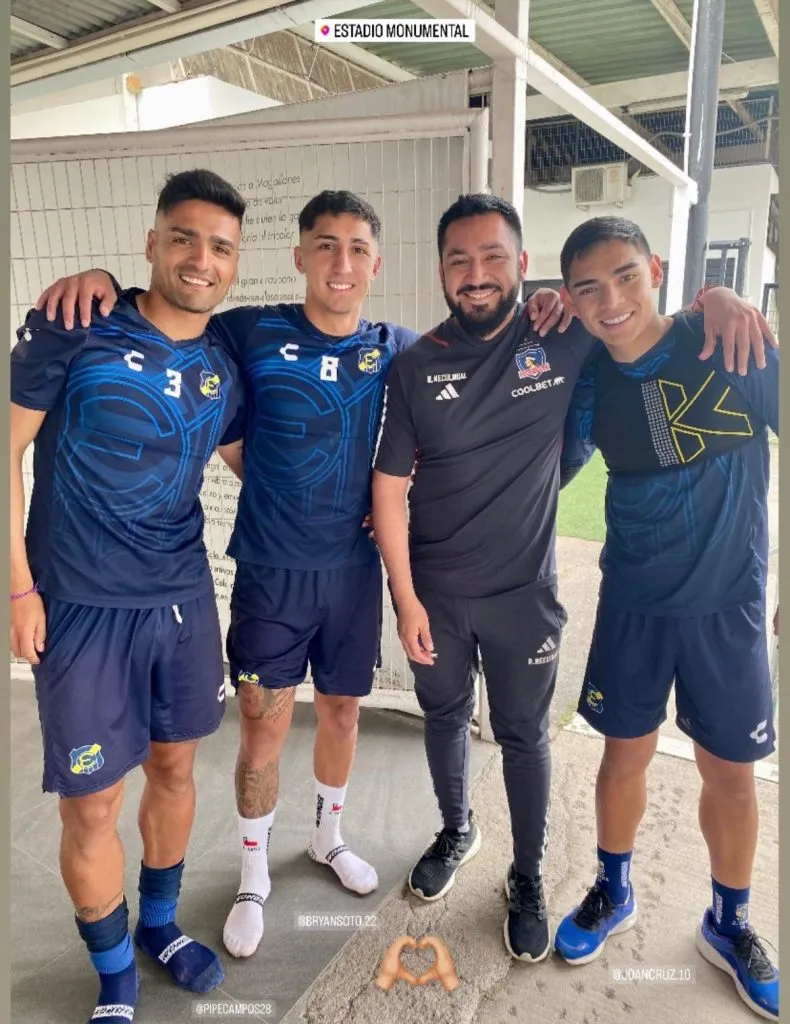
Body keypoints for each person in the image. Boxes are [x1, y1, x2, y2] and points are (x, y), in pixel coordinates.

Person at [35, 190, 572, 963]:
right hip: (269, 575)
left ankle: (327, 838)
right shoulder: (248, 331)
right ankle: (253, 870)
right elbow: (169, 314)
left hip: (354, 576)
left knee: (344, 715)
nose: (341, 263)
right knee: (262, 723)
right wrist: (101, 280)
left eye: (356, 248)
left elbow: (481, 357)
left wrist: (544, 302)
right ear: (299, 257)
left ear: (377, 265)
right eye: (324, 245)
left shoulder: (401, 347)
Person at [370, 193, 776, 967]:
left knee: (561, 742)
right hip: (520, 597)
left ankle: (567, 885)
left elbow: (641, 320)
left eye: (494, 257)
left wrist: (719, 297)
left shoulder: (635, 339)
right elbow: (418, 483)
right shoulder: (462, 363)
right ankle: (516, 852)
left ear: (522, 267)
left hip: (627, 600)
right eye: (460, 260)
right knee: (509, 732)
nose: (477, 274)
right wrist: (408, 585)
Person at [10, 169, 247, 1024]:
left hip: (181, 601)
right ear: (151, 243)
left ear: (236, 262)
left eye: (219, 245)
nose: (199, 257)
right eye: (182, 237)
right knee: (94, 802)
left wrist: (365, 515)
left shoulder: (224, 362)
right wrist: (19, 589)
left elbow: (253, 467)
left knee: (177, 769)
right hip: (78, 607)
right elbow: (6, 452)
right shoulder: (76, 326)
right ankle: (113, 975)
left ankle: (158, 926)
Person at [552, 216, 779, 1021]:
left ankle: (731, 920)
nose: (610, 300)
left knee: (731, 776)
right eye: (587, 289)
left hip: (729, 606)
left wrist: (719, 298)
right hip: (636, 606)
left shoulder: (729, 341)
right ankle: (613, 892)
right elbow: (548, 463)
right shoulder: (590, 382)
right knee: (622, 760)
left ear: (655, 269)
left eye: (624, 276)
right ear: (572, 302)